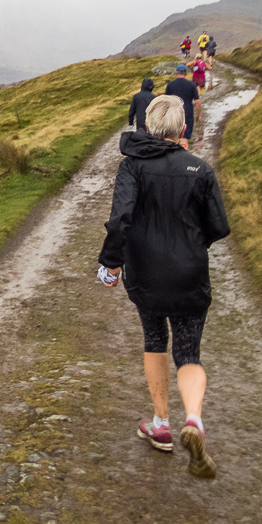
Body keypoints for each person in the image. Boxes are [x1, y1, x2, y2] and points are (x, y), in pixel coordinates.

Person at [97, 94, 230, 479]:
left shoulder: (132, 166)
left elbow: (120, 217)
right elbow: (218, 227)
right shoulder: (200, 169)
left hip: (147, 276)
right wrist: (192, 243)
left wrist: (111, 264)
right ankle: (194, 420)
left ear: (149, 128)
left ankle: (160, 423)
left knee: (155, 339)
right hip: (190, 274)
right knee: (189, 353)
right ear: (183, 129)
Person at [166, 64, 200, 148]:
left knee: (174, 139)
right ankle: (184, 159)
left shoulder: (170, 85)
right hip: (187, 113)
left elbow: (166, 101)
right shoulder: (191, 85)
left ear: (176, 73)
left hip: (174, 114)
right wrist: (199, 115)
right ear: (186, 73)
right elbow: (197, 101)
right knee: (184, 139)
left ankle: (174, 159)